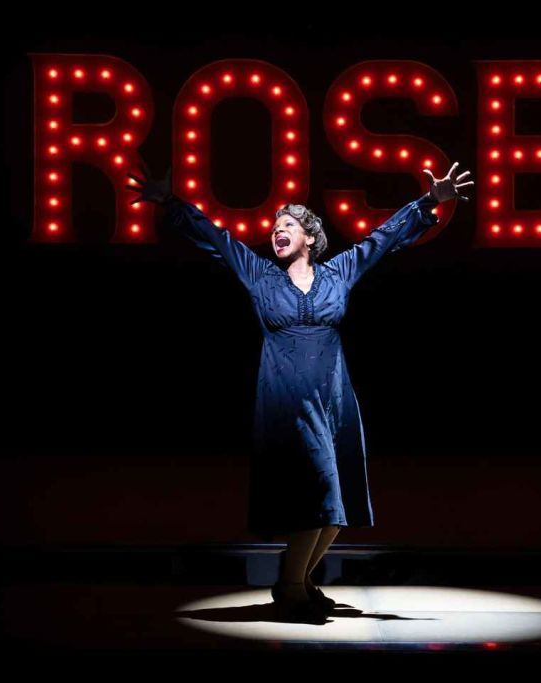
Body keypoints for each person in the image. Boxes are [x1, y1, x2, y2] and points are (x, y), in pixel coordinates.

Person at [127, 161, 472, 621]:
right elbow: (216, 237)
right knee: (321, 492)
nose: (277, 231)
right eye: (274, 227)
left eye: (287, 225)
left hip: (333, 398)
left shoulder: (338, 273)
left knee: (339, 501)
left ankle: (302, 581)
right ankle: (289, 587)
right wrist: (171, 202)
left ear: (310, 237)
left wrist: (429, 202)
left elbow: (382, 239)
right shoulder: (261, 276)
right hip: (286, 398)